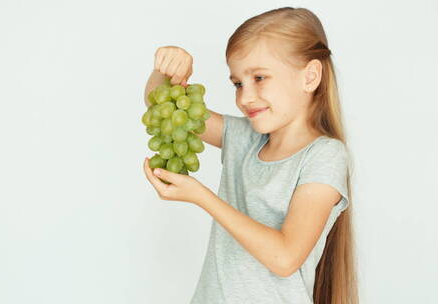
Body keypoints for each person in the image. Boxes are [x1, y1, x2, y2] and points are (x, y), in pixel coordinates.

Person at [142, 6, 358, 304]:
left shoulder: (324, 156)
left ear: (310, 77)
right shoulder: (244, 138)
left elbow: (285, 257)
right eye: (238, 83)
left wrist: (202, 197)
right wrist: (166, 69)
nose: (245, 97)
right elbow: (161, 107)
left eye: (259, 78)